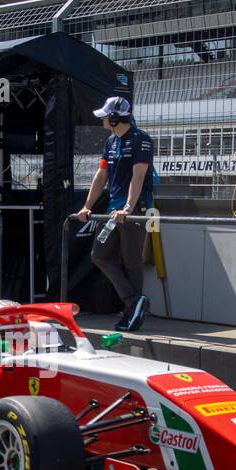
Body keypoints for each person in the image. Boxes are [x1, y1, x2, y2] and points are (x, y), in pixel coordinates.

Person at [77, 95, 156, 332]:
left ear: (114, 118)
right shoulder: (111, 141)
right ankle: (134, 302)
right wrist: (87, 206)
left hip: (134, 211)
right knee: (99, 254)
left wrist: (129, 208)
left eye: (105, 116)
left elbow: (139, 176)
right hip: (113, 211)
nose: (102, 119)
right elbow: (101, 176)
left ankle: (132, 313)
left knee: (132, 262)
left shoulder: (141, 140)